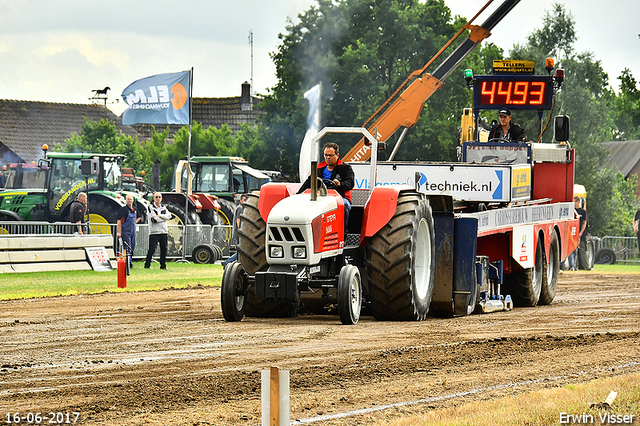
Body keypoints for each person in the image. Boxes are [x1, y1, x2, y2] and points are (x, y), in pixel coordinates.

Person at [297, 142, 354, 234]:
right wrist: (298, 195)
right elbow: (308, 183)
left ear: (337, 155)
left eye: (331, 155)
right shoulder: (319, 169)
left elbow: (350, 183)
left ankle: (343, 233)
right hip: (321, 198)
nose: (328, 157)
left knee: (344, 205)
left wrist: (340, 184)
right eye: (326, 155)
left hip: (339, 198)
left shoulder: (345, 168)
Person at [144, 192, 172, 270]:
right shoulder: (150, 207)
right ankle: (147, 265)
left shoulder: (164, 207)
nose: (158, 199)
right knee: (152, 249)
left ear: (161, 198)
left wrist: (160, 216)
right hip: (154, 232)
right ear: (153, 198)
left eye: (159, 197)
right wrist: (164, 218)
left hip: (164, 232)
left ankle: (163, 265)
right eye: (156, 197)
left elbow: (169, 216)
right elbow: (154, 219)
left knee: (164, 249)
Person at [223, 194, 247, 266]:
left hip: (238, 232)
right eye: (244, 200)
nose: (245, 202)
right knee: (241, 251)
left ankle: (228, 262)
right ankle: (227, 262)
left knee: (241, 251)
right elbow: (238, 220)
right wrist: (240, 230)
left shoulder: (240, 207)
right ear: (241, 200)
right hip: (238, 233)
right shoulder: (240, 208)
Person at [117, 194, 139, 268]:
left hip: (133, 230)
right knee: (127, 247)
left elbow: (139, 217)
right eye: (128, 199)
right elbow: (119, 221)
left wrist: (134, 222)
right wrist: (119, 232)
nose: (129, 201)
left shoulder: (135, 210)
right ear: (126, 200)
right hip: (125, 231)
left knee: (132, 246)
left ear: (133, 200)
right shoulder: (123, 210)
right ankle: (128, 263)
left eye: (130, 199)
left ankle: (130, 260)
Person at [568, 195, 589, 270]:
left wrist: (581, 232)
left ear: (578, 202)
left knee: (576, 250)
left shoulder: (583, 212)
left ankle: (574, 265)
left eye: (574, 201)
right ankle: (572, 265)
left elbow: (584, 223)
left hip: (577, 234)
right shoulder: (571, 210)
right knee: (570, 250)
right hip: (571, 233)